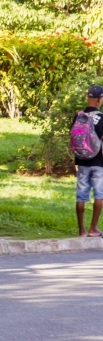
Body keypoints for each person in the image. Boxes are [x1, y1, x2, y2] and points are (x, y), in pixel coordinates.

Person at [73, 85, 103, 237]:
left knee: (81, 195)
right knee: (99, 195)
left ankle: (81, 230)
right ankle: (93, 228)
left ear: (87, 98)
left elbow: (74, 138)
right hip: (98, 162)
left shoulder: (79, 116)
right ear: (100, 99)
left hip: (81, 161)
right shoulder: (101, 118)